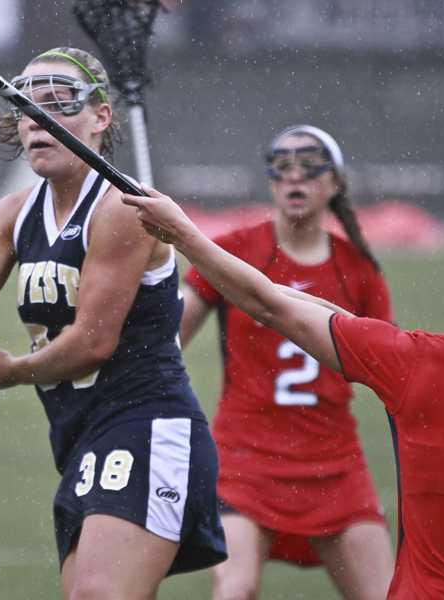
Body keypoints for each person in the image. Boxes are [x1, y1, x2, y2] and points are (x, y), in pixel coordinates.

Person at [122, 181, 444, 597]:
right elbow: (306, 311)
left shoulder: (416, 363)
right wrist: (268, 291)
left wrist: (182, 234)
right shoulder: (416, 359)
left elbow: (269, 306)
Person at [0, 47, 227, 599]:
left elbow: (92, 342)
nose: (38, 118)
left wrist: (14, 370)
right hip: (81, 436)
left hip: (146, 425)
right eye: (26, 104)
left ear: (100, 116)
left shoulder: (122, 209)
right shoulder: (14, 213)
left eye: (60, 101)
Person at [180, 126, 393, 599]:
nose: (295, 176)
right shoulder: (234, 251)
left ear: (335, 183)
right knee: (236, 588)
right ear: (271, 181)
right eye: (282, 166)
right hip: (245, 462)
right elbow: (169, 334)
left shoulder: (359, 268)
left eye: (309, 166)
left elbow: (392, 366)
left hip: (334, 464)